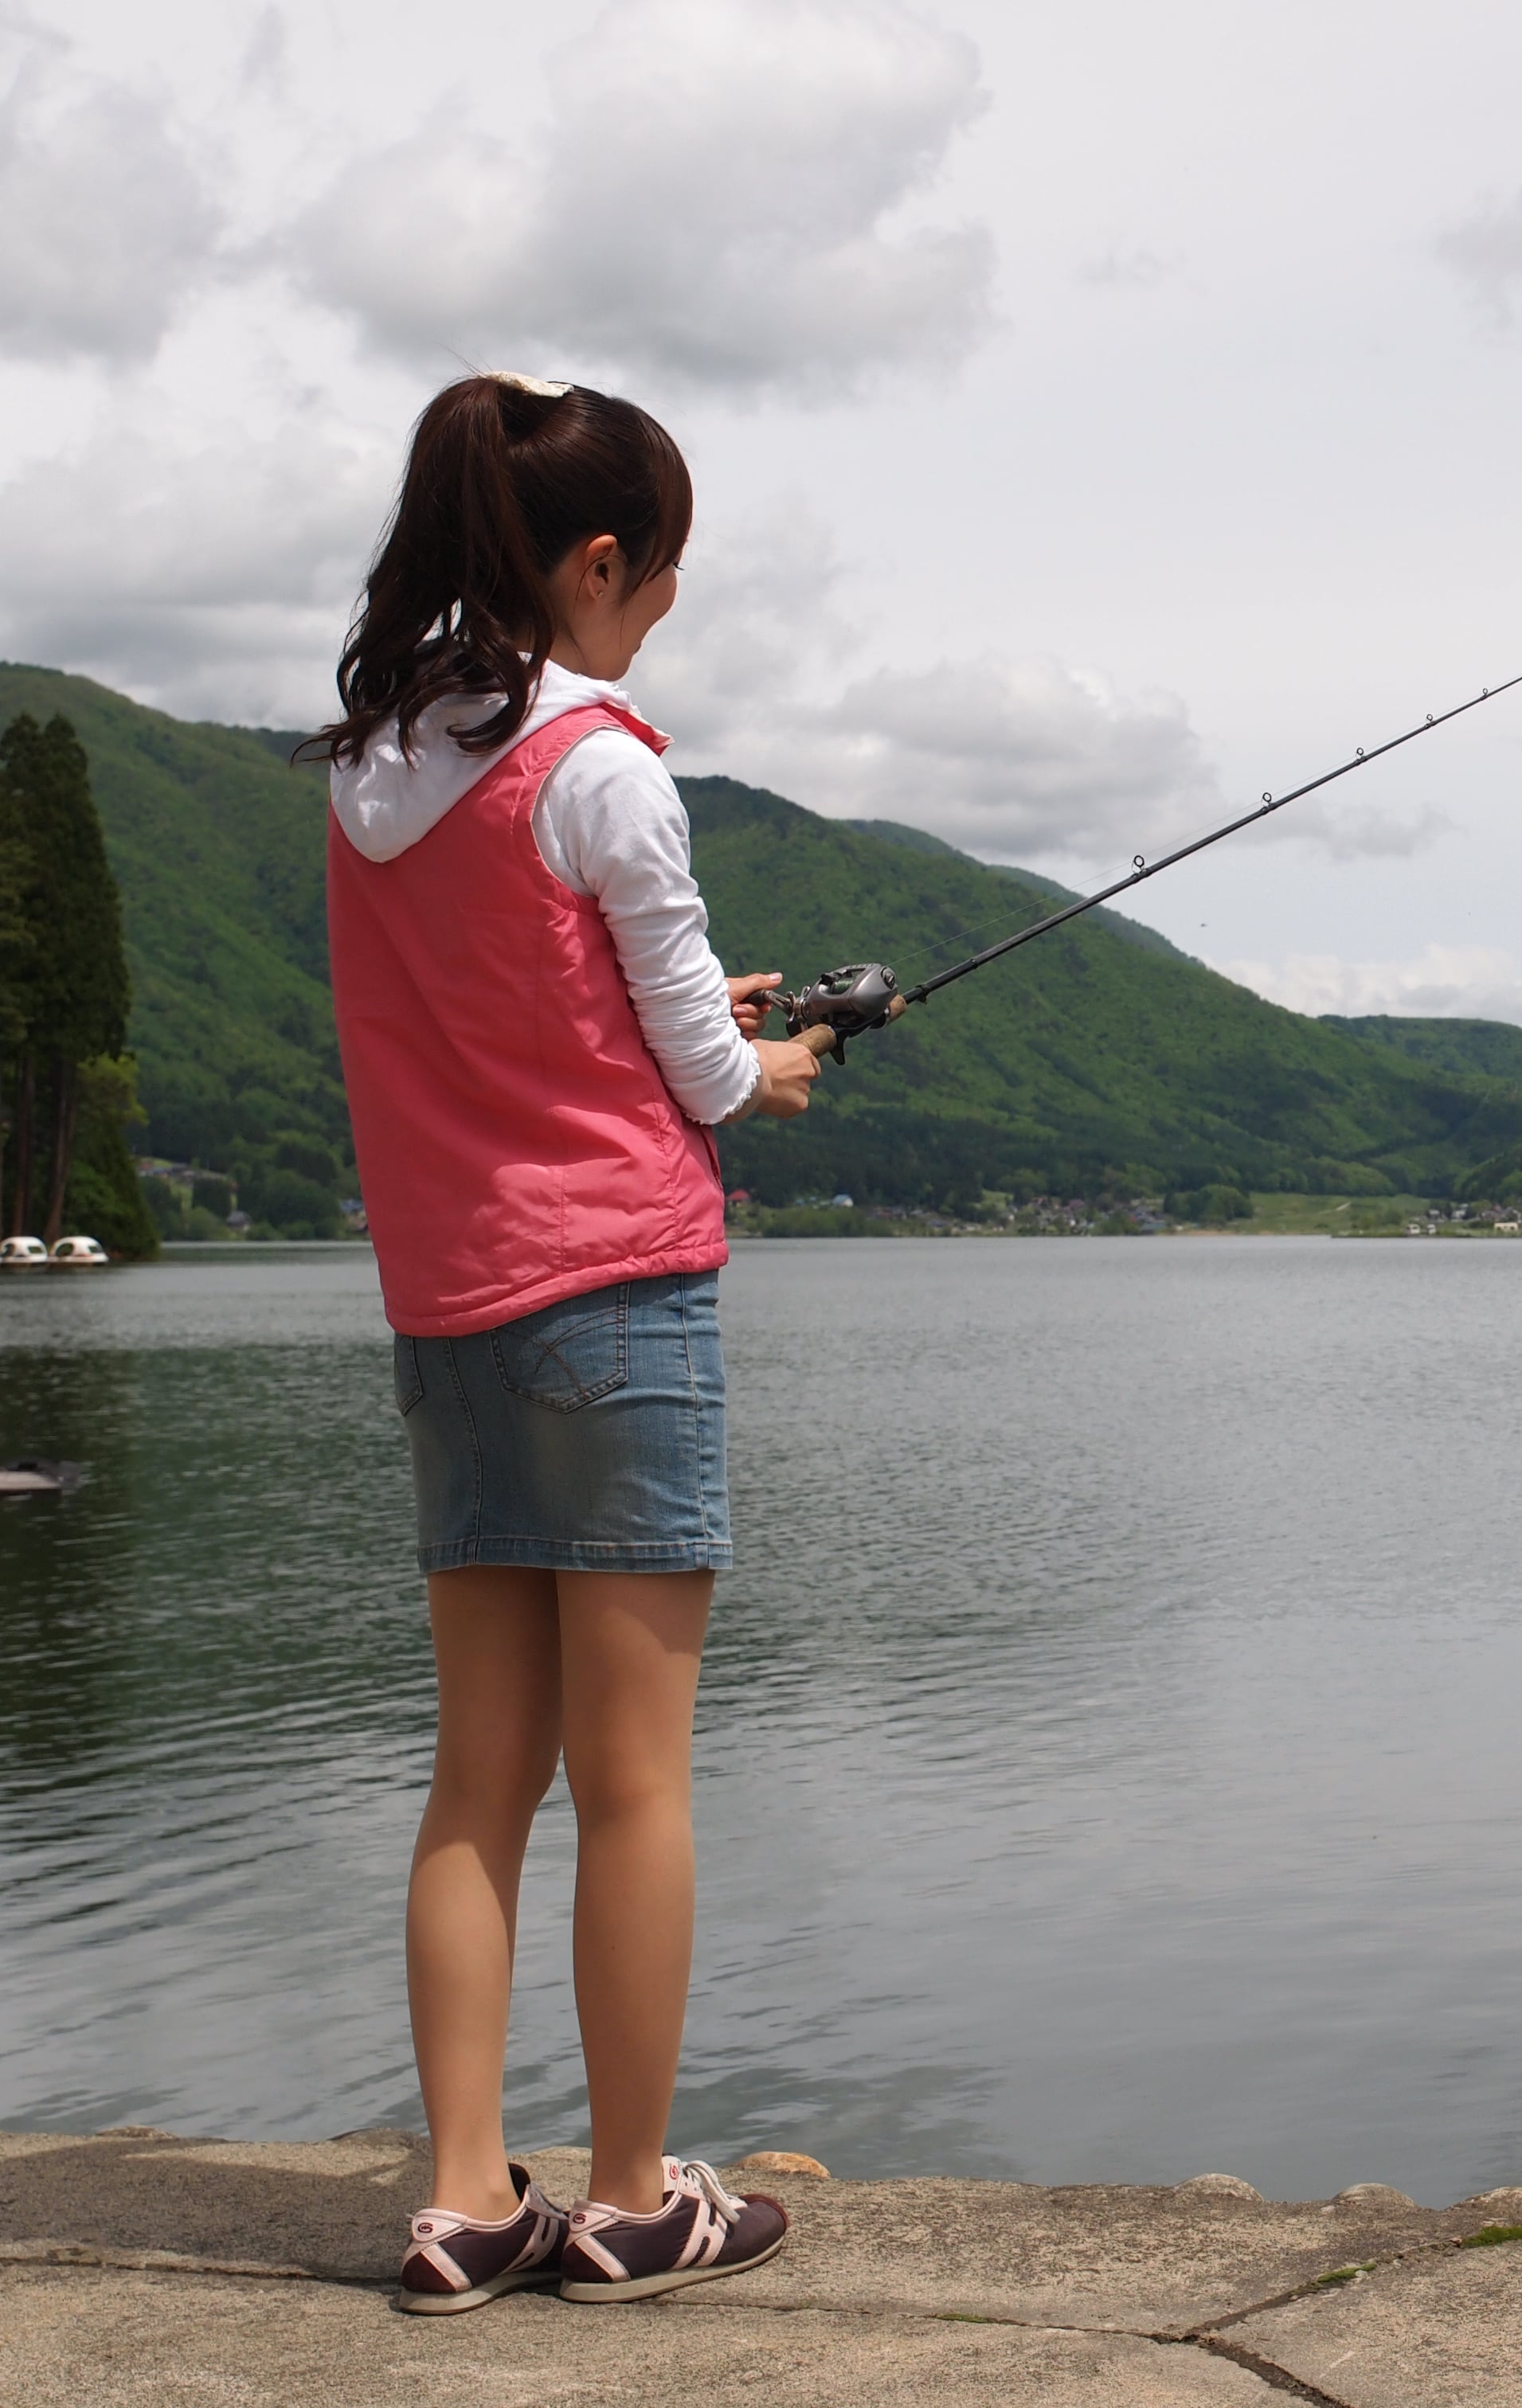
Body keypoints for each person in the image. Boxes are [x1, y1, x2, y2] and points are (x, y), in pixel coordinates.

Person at [311, 372, 820, 2312]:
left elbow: (504, 1020)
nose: (662, 611)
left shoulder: (375, 774)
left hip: (449, 1313)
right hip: (616, 1308)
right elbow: (702, 1074)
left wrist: (685, 1008)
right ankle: (625, 2197)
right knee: (637, 1784)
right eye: (659, 578)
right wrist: (767, 1057)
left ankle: (458, 2201)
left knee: (477, 1785)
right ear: (597, 564)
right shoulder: (604, 765)